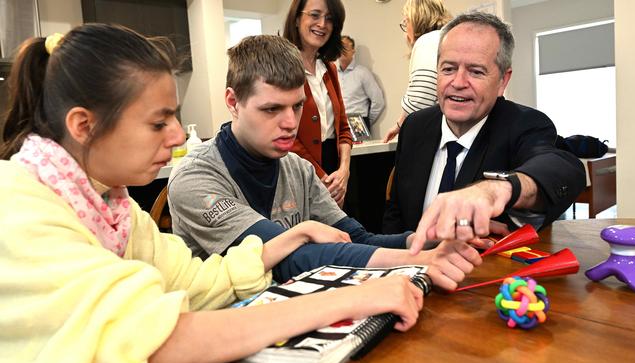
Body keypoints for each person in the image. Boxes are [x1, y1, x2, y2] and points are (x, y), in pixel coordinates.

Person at [0, 24, 426, 363]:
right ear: (83, 125)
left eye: (296, 107)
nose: (173, 137)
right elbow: (158, 342)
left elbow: (195, 282)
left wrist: (290, 238)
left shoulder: (115, 206)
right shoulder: (18, 208)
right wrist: (350, 298)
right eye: (157, 123)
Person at [168, 34, 483, 288]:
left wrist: (422, 240)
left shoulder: (299, 169)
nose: (291, 122)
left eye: (297, 106)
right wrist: (419, 260)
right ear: (233, 102)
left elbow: (356, 238)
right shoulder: (195, 178)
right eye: (271, 109)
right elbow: (286, 259)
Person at [382, 12, 586, 254]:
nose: (458, 82)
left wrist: (496, 189)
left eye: (476, 71)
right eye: (448, 68)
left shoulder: (525, 124)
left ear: (502, 81)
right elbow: (395, 214)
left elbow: (563, 170)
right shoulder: (415, 126)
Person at [283, 0, 351, 207]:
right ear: (296, 19)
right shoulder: (283, 67)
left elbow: (343, 127)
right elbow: (288, 136)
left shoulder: (329, 68)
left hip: (335, 171)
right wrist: (323, 178)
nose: (322, 24)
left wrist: (344, 171)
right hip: (300, 170)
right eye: (314, 15)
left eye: (329, 18)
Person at [383, 0, 452, 142]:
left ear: (417, 18)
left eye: (406, 21)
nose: (406, 28)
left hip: (437, 132)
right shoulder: (447, 37)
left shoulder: (427, 41)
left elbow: (421, 98)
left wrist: (403, 130)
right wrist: (399, 124)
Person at [337, 35, 385, 127]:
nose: (342, 50)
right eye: (340, 47)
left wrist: (366, 122)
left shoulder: (362, 73)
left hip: (358, 122)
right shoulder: (333, 74)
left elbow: (378, 101)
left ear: (353, 51)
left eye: (346, 47)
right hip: (338, 123)